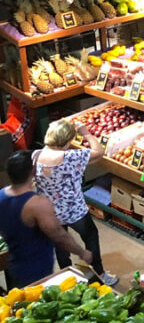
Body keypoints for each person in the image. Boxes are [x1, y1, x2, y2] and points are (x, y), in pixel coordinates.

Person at [34, 120, 117, 284]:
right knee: (90, 236)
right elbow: (99, 152)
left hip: (50, 213)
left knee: (60, 243)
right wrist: (85, 133)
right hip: (74, 211)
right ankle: (99, 274)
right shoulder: (71, 157)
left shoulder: (35, 155)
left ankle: (69, 277)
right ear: (67, 141)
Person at [0, 151, 93, 288]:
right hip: (36, 267)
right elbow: (58, 235)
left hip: (14, 262)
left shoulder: (1, 196)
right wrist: (81, 252)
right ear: (32, 171)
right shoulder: (37, 204)